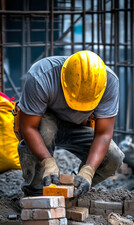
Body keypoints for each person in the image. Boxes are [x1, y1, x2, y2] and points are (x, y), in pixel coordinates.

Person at [18, 50, 124, 198]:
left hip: (79, 126)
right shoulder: (41, 76)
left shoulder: (109, 82)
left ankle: (74, 189)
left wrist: (89, 170)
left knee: (113, 157)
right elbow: (28, 127)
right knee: (46, 131)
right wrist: (47, 162)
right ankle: (36, 195)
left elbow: (104, 134)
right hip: (43, 125)